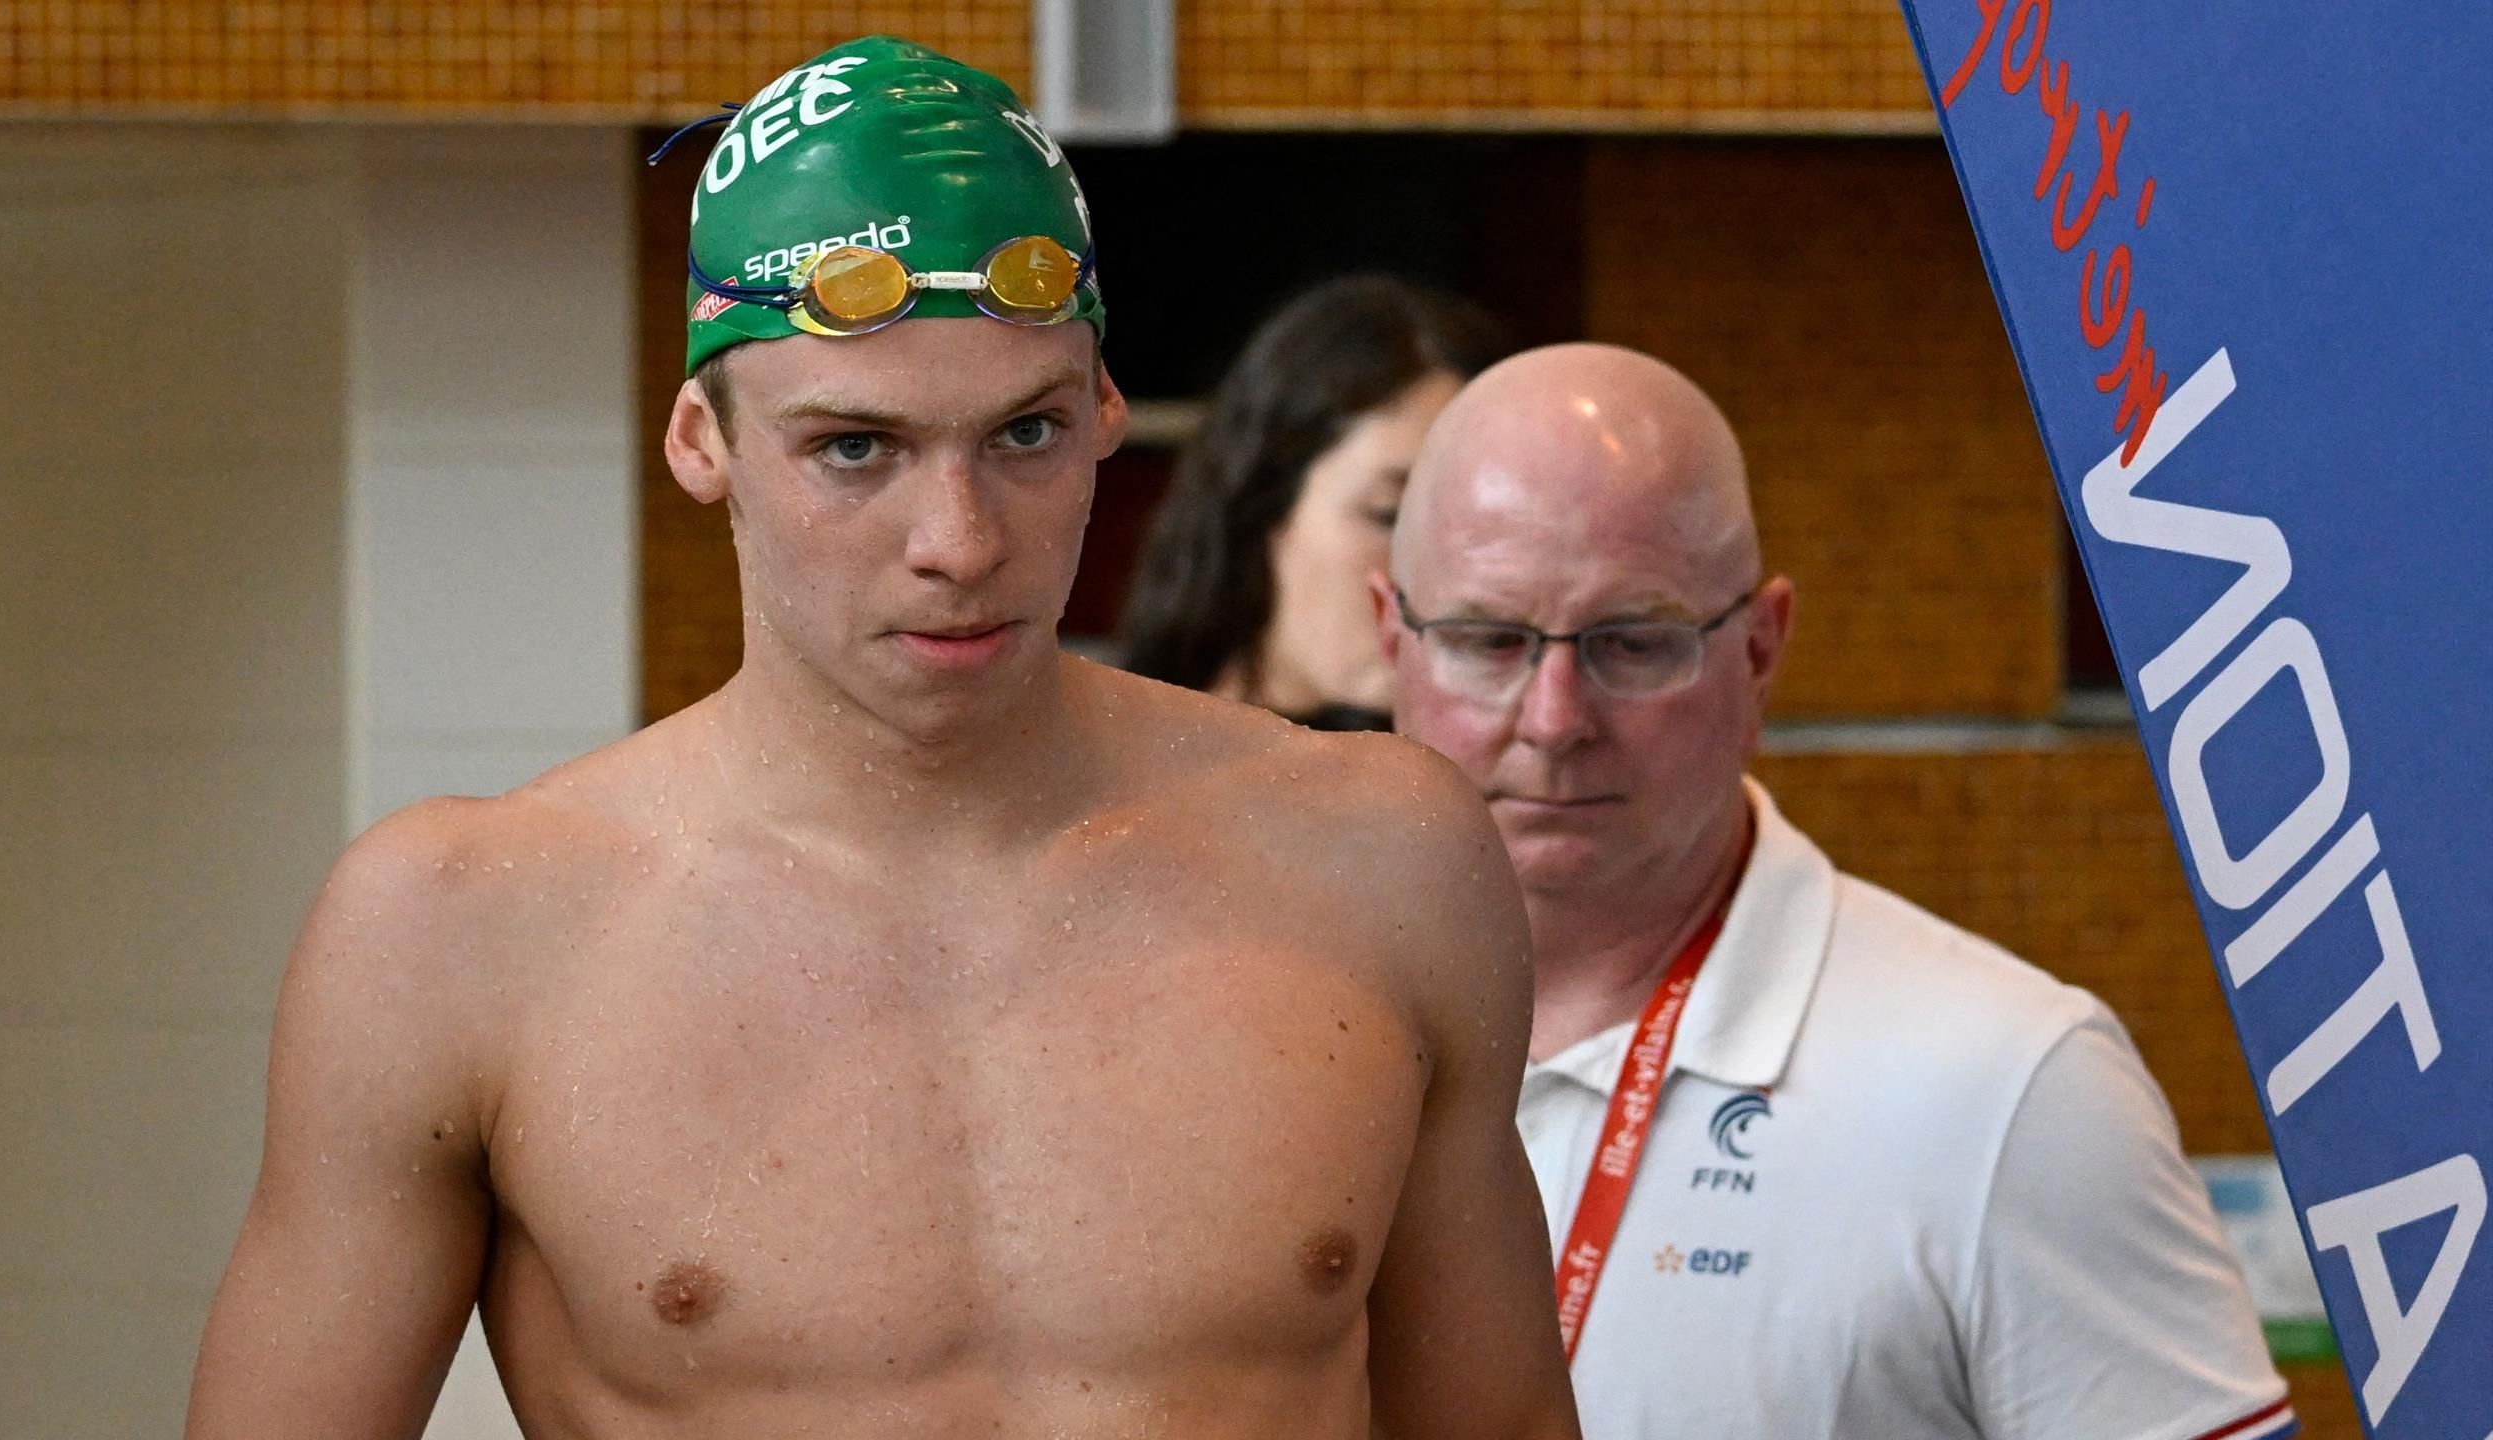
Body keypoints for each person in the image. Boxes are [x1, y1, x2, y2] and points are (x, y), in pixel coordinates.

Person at [184, 38, 1579, 1440]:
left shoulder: (1381, 865)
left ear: (1105, 412)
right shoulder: (456, 934)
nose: (958, 544)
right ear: (700, 441)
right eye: (855, 449)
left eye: (1024, 436)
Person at [1377, 342, 2297, 1440]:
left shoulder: (2006, 1090)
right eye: (1489, 642)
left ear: (1761, 651)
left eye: (1633, 642)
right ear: (1391, 641)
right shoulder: (1280, 1044)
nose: (1554, 718)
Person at [1120, 275, 1506, 731]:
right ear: (1262, 505)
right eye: (1388, 515)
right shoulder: (1119, 764)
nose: (1438, 573)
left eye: (1475, 529)